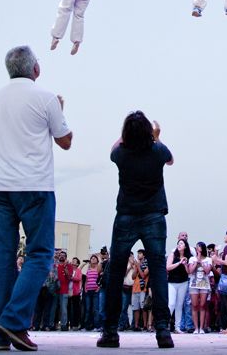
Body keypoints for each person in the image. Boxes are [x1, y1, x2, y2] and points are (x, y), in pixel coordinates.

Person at [0, 45, 74, 350]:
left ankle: (0, 336)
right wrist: (59, 109)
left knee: (2, 260)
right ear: (35, 69)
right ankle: (13, 320)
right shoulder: (46, 97)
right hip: (33, 184)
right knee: (39, 254)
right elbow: (65, 141)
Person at [95, 113, 173, 346]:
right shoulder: (158, 151)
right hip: (153, 215)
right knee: (158, 270)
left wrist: (125, 135)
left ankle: (110, 331)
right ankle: (162, 331)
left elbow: (112, 149)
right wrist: (156, 137)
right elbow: (171, 160)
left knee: (116, 272)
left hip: (127, 215)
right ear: (149, 131)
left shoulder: (121, 153)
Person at [166, 239, 190, 333]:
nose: (179, 245)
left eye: (181, 243)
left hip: (183, 282)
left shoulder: (188, 256)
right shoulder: (173, 254)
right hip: (172, 282)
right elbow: (168, 267)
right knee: (171, 304)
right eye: (178, 243)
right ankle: (165, 324)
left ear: (185, 246)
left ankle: (177, 327)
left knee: (179, 305)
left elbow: (189, 272)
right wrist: (179, 263)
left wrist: (185, 264)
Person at [187, 242, 211, 334]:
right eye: (197, 247)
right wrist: (196, 262)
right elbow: (190, 271)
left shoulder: (208, 259)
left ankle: (201, 328)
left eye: (199, 247)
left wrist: (201, 262)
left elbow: (207, 271)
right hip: (194, 284)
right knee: (194, 305)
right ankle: (196, 328)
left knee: (203, 305)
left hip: (204, 284)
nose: (198, 249)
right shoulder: (192, 259)